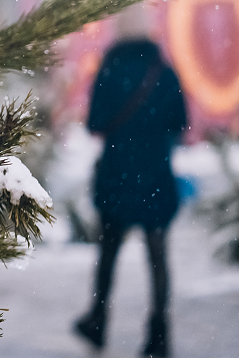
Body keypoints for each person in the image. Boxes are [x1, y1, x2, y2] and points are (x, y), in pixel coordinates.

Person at [74, 38, 188, 358]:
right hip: (154, 175)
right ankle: (159, 334)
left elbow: (95, 123)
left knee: (108, 253)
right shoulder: (163, 71)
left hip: (118, 175)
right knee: (158, 256)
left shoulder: (109, 70)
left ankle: (98, 319)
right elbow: (179, 122)